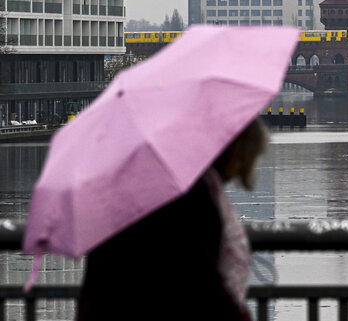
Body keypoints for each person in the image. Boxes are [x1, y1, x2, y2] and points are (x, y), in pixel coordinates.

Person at [76, 119, 268, 321]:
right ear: (232, 150)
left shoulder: (150, 182)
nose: (239, 172)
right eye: (243, 160)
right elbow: (201, 282)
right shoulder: (189, 195)